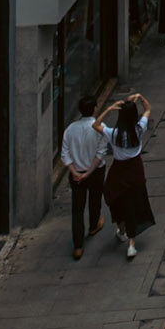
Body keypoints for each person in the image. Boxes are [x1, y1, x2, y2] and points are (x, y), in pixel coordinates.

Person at [96, 92, 153, 259]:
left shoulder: (114, 134)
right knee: (134, 202)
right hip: (135, 169)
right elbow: (148, 109)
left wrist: (108, 109)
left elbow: (96, 125)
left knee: (116, 198)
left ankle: (122, 228)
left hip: (119, 171)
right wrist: (141, 97)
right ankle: (131, 244)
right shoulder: (138, 129)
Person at [60, 95, 108, 261]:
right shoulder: (99, 127)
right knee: (95, 199)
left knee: (77, 209)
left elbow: (65, 154)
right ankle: (94, 225)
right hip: (94, 172)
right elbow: (100, 154)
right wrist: (88, 173)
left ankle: (78, 246)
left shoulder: (70, 129)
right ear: (95, 108)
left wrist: (74, 172)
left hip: (76, 174)